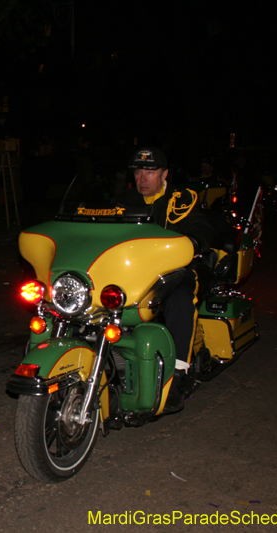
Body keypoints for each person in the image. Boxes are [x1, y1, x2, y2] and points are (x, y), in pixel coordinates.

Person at [113, 147, 213, 413]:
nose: (142, 178)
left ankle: (179, 373)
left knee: (180, 300)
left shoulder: (182, 200)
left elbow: (200, 226)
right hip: (130, 271)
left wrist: (195, 240)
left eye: (150, 171)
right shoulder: (123, 199)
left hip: (173, 271)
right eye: (138, 171)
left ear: (165, 173)